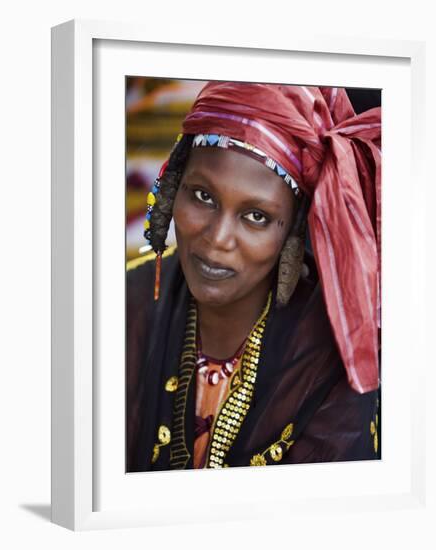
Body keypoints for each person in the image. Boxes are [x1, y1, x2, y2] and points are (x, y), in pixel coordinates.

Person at [126, 82, 381, 471]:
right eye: (202, 196)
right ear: (173, 188)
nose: (217, 238)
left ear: (293, 230)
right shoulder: (120, 306)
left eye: (256, 216)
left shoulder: (330, 357)